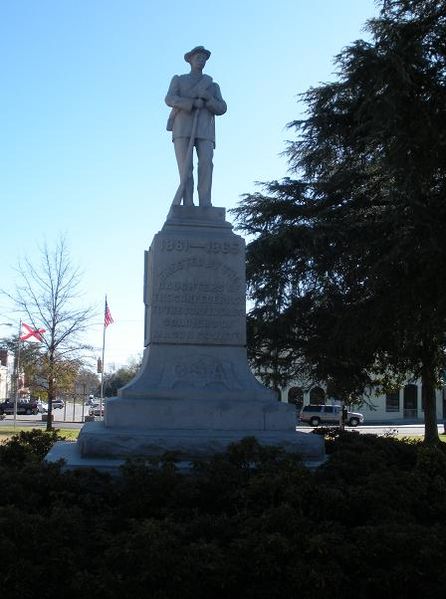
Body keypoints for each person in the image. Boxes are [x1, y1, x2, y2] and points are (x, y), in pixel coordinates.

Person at [165, 46, 227, 207]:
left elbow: (222, 108)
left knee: (206, 163)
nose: (201, 61)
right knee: (186, 167)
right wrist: (191, 103)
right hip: (182, 128)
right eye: (198, 57)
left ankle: (205, 202)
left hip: (205, 129)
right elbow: (169, 98)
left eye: (204, 58)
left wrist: (208, 99)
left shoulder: (212, 86)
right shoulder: (179, 79)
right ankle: (188, 203)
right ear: (190, 60)